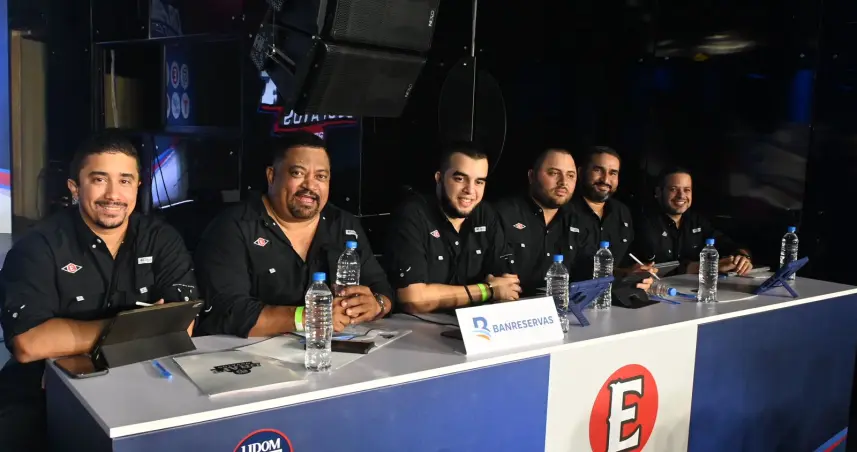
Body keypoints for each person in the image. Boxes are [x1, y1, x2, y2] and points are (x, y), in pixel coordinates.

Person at [0, 130, 197, 449]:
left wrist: (68, 337)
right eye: (99, 179)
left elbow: (182, 326)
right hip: (42, 389)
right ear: (75, 187)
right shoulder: (37, 246)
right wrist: (140, 328)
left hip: (141, 379)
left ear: (138, 186)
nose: (113, 194)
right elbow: (29, 343)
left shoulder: (161, 239)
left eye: (124, 180)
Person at [194, 131, 393, 337]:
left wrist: (377, 305)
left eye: (321, 177)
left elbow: (383, 289)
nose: (310, 185)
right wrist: (310, 316)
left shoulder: (343, 225)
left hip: (328, 348)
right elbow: (229, 311)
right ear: (271, 176)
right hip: (242, 350)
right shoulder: (233, 226)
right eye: (298, 173)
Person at [495, 147, 653, 296]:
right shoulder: (501, 213)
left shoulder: (575, 218)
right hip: (510, 309)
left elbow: (587, 269)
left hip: (563, 307)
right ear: (531, 176)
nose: (563, 182)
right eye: (554, 173)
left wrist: (627, 275)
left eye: (570, 175)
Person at [385, 142, 520, 313]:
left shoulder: (485, 214)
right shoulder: (412, 214)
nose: (470, 190)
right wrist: (488, 290)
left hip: (475, 322)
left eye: (479, 182)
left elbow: (508, 284)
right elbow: (412, 298)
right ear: (439, 178)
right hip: (417, 326)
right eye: (460, 179)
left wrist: (498, 288)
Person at [633, 167, 753, 275]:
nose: (681, 196)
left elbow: (724, 243)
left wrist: (742, 257)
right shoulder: (644, 223)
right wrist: (709, 267)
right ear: (658, 192)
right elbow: (657, 268)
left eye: (687, 190)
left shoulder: (696, 220)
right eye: (673, 189)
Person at [572, 146, 657, 278]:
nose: (605, 180)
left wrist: (638, 272)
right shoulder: (564, 210)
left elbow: (628, 260)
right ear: (581, 172)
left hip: (617, 289)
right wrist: (622, 273)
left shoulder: (622, 212)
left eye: (613, 173)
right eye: (598, 170)